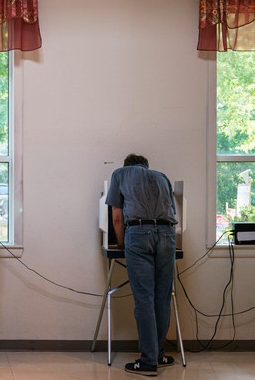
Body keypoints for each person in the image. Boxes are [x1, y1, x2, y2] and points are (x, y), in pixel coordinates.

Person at [106, 154, 178, 376]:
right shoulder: (162, 177)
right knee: (162, 297)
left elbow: (117, 217)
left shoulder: (119, 173)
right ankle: (158, 355)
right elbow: (173, 211)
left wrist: (121, 243)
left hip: (138, 234)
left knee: (144, 298)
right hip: (167, 234)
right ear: (146, 166)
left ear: (128, 165)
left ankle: (148, 362)